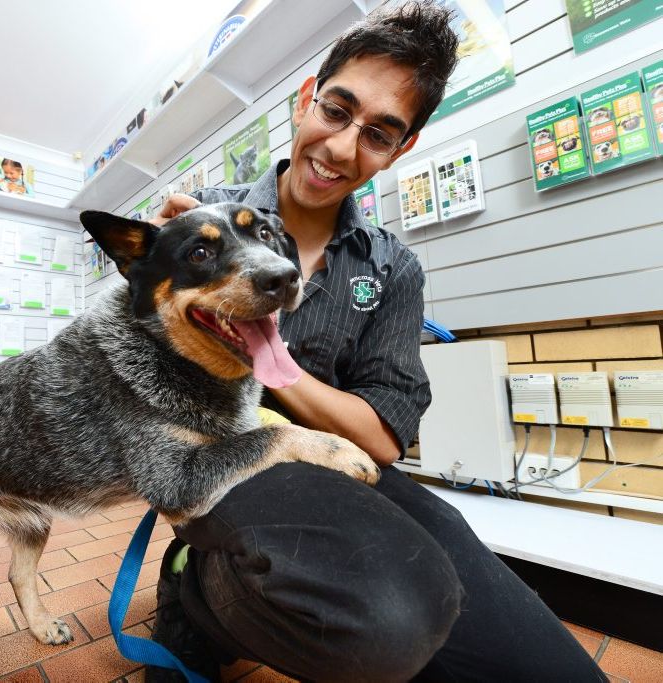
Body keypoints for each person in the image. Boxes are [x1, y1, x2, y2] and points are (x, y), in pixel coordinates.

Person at [145, 2, 608, 681]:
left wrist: (274, 365)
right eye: (336, 111)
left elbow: (383, 437)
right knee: (390, 624)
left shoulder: (392, 267)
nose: (339, 147)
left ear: (402, 149)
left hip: (348, 471)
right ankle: (199, 599)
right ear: (307, 100)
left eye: (378, 133)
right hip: (229, 465)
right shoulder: (204, 217)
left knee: (538, 657)